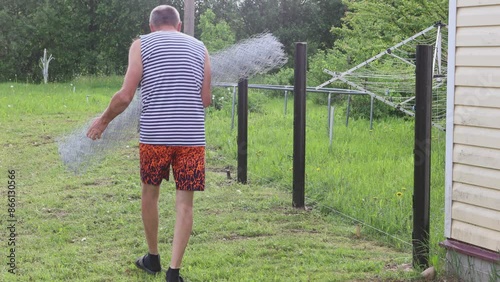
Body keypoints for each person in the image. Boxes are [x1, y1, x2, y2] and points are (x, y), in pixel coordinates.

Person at [86, 5, 211, 282]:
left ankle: (153, 258)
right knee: (185, 204)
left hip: (155, 137)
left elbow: (125, 96)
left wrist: (103, 121)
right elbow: (205, 100)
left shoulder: (141, 44)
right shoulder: (200, 47)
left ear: (152, 26)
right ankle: (174, 272)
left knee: (149, 194)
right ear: (178, 25)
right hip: (191, 138)